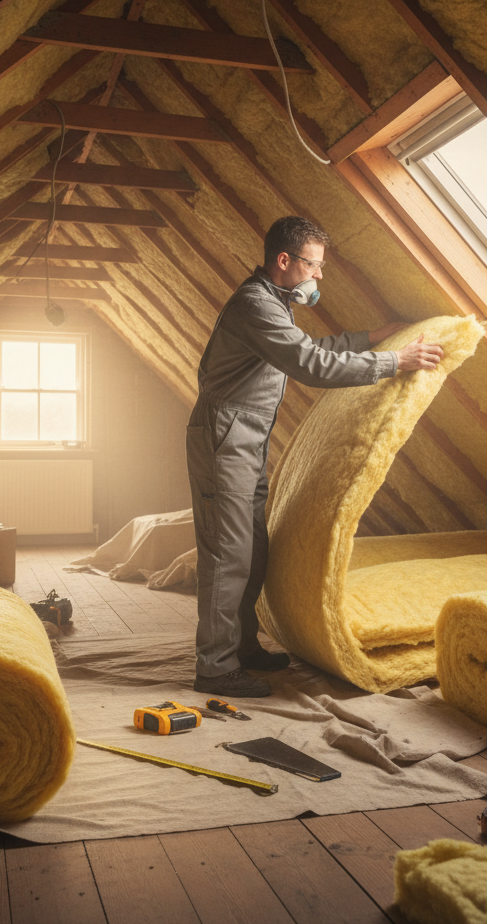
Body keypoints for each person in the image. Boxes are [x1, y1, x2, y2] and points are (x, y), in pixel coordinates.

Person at [186, 216, 444, 698]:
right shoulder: (255, 305)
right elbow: (310, 365)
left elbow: (309, 347)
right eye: (314, 265)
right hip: (226, 437)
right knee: (229, 553)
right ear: (284, 261)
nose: (320, 276)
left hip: (244, 436)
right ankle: (215, 668)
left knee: (252, 548)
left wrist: (372, 337)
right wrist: (395, 361)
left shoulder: (273, 302)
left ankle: (241, 648)